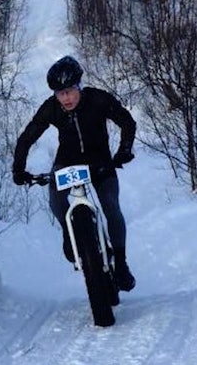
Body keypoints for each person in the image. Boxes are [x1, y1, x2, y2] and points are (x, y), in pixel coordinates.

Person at [12, 55, 137, 292]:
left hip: (100, 161)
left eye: (69, 90)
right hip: (68, 163)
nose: (66, 98)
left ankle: (121, 263)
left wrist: (124, 151)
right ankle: (68, 234)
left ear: (79, 86)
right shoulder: (51, 108)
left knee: (111, 206)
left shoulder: (98, 99)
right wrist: (18, 169)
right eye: (60, 93)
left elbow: (127, 121)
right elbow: (27, 137)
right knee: (56, 197)